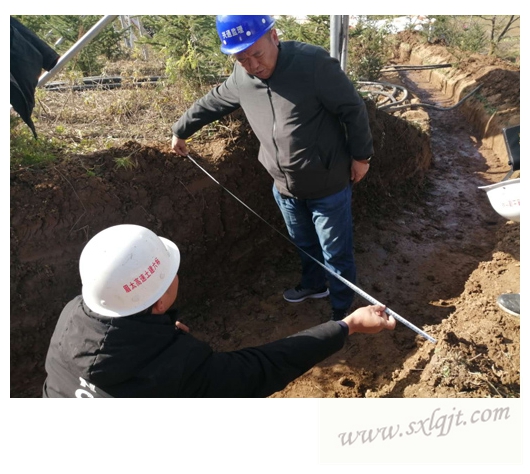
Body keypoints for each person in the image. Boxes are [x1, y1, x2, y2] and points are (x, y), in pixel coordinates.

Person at [171, 15, 373, 322]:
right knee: (304, 244)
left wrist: (362, 157)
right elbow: (212, 102)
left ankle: (341, 311)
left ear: (274, 36)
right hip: (285, 188)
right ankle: (314, 285)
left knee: (335, 252)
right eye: (242, 59)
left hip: (327, 184)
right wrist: (180, 130)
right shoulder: (241, 79)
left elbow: (352, 109)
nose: (253, 65)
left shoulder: (312, 64)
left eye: (257, 54)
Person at [43, 224, 395, 398]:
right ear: (160, 302)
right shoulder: (180, 368)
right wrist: (347, 325)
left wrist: (155, 337)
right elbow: (260, 369)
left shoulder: (71, 317)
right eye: (170, 273)